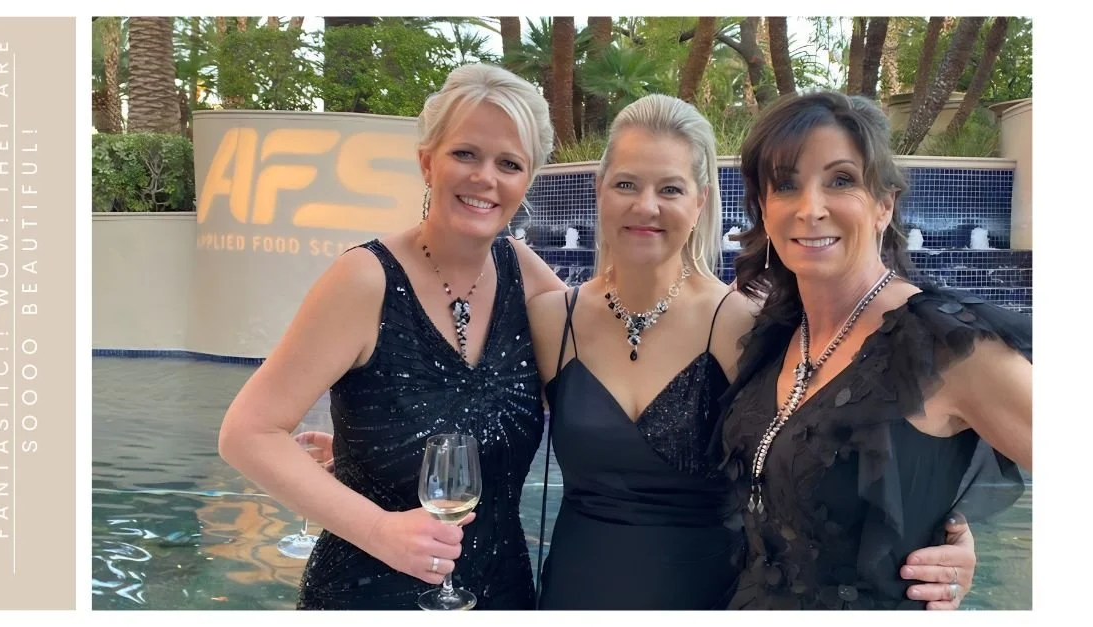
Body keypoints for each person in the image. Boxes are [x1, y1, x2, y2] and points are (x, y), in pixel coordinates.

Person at [526, 93, 988, 610]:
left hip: (712, 599)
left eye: (670, 188)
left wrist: (941, 539)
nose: (646, 206)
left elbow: (825, 457)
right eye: (626, 184)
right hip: (574, 594)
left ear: (700, 200)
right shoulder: (549, 321)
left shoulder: (748, 328)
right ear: (600, 189)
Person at [218, 63, 565, 610]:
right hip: (369, 592)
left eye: (509, 164)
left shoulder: (524, 275)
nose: (485, 178)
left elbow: (605, 362)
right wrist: (379, 528)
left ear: (527, 181)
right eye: (465, 154)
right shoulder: (364, 280)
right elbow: (246, 433)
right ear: (428, 161)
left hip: (502, 593)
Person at [718, 90, 1031, 610]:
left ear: (884, 204)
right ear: (765, 211)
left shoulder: (945, 346)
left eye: (841, 181)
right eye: (786, 184)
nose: (810, 208)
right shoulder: (774, 335)